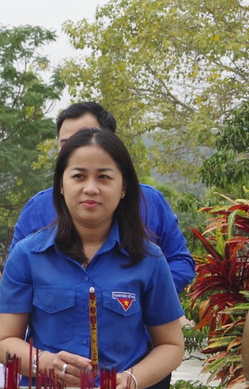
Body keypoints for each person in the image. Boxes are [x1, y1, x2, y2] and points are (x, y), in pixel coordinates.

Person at [0, 128, 184, 389]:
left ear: (123, 187)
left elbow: (171, 345)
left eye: (104, 177)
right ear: (61, 184)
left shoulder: (149, 259)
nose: (91, 188)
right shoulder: (27, 255)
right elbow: (4, 342)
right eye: (79, 176)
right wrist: (45, 363)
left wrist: (131, 380)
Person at [11, 102, 194, 291]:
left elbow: (180, 261)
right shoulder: (37, 208)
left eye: (85, 138)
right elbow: (17, 276)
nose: (76, 148)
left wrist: (144, 296)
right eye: (65, 144)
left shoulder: (150, 202)